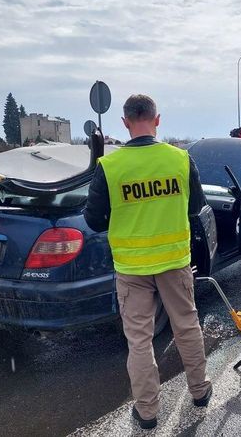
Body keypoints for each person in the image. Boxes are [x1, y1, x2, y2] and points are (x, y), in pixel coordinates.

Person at [83, 94, 212, 430]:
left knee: (139, 340)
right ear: (157, 120)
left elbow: (95, 221)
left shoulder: (109, 167)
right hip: (174, 261)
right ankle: (200, 392)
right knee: (186, 325)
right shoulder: (181, 159)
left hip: (131, 267)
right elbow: (196, 205)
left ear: (125, 123)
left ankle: (148, 413)